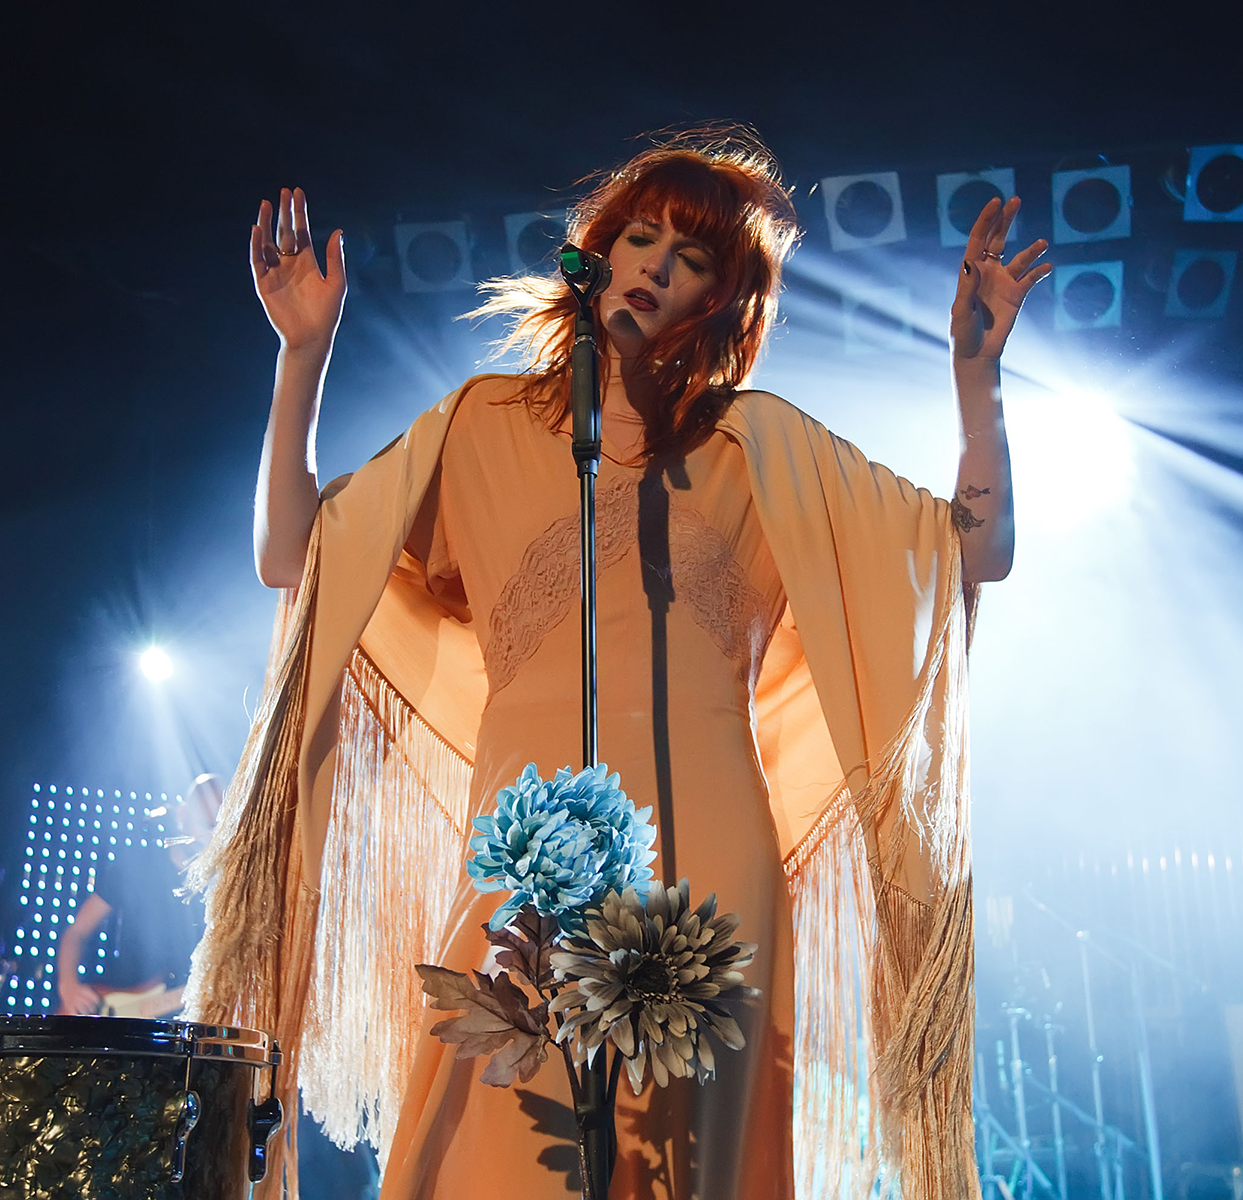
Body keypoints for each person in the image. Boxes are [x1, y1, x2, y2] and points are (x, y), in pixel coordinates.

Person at [188, 128, 1050, 1200]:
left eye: (690, 258)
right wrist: (301, 358)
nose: (653, 266)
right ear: (596, 251)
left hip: (710, 861)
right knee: (492, 1152)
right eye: (640, 237)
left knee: (680, 1160)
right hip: (524, 855)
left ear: (721, 302)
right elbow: (291, 555)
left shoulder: (759, 447)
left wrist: (978, 379)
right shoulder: (480, 426)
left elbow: (977, 551)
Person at [56, 773, 224, 1017]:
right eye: (206, 824)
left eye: (219, 826)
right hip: (113, 1008)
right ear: (182, 815)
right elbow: (77, 931)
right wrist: (69, 986)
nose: (211, 835)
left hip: (183, 1017)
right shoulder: (137, 867)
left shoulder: (225, 889)